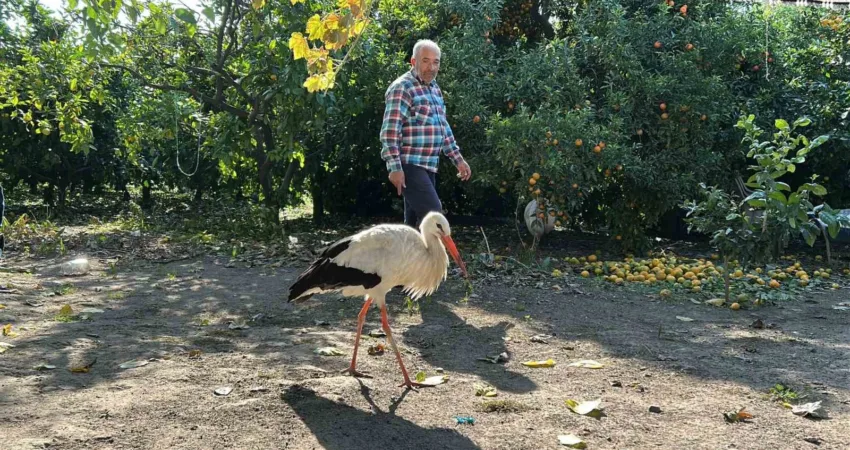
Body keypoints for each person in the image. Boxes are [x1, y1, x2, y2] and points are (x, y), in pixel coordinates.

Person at [379, 39, 472, 228]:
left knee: (414, 227)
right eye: (426, 61)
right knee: (435, 218)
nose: (431, 67)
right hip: (410, 165)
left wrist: (458, 159)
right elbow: (390, 131)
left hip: (429, 166)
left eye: (436, 62)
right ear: (413, 62)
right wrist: (394, 167)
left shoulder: (435, 89)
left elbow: (442, 127)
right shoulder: (402, 87)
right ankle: (444, 258)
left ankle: (409, 259)